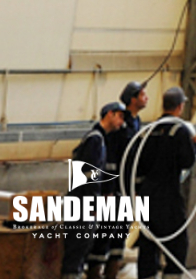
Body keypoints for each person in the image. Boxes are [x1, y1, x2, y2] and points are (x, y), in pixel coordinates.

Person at [135, 87, 196, 279]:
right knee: (177, 244)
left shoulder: (148, 130)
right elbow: (187, 161)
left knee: (148, 244)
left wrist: (138, 191)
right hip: (168, 196)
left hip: (146, 195)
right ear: (180, 107)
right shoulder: (179, 130)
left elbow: (137, 163)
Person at [63, 102, 127, 279]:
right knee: (76, 251)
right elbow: (88, 174)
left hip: (83, 202)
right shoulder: (95, 139)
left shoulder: (99, 139)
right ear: (109, 114)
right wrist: (93, 202)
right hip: (82, 204)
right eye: (120, 116)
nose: (122, 122)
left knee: (81, 249)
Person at [101, 80, 149, 279]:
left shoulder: (137, 123)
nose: (147, 98)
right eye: (142, 95)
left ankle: (112, 271)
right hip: (116, 188)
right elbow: (113, 159)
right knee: (107, 233)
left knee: (121, 233)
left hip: (128, 188)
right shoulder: (122, 126)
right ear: (132, 99)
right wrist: (109, 189)